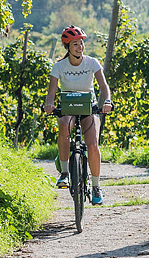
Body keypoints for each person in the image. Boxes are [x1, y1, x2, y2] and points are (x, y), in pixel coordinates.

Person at [44, 25, 113, 205]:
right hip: (68, 105)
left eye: (81, 43)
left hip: (88, 106)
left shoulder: (92, 63)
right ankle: (65, 173)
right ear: (68, 47)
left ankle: (96, 186)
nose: (80, 47)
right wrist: (49, 104)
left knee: (92, 143)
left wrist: (107, 101)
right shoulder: (59, 67)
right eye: (75, 44)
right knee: (64, 125)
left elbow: (104, 87)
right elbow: (51, 92)